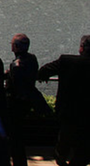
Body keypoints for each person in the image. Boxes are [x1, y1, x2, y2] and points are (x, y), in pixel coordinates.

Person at [37, 34, 90, 166]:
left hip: (68, 112)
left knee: (64, 141)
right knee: (83, 150)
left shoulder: (67, 61)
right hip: (88, 115)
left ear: (82, 48)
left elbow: (43, 71)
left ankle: (60, 157)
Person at [6, 33, 47, 166]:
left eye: (13, 45)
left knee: (14, 138)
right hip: (27, 102)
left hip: (16, 104)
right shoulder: (32, 59)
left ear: (16, 47)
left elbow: (16, 86)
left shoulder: (16, 65)